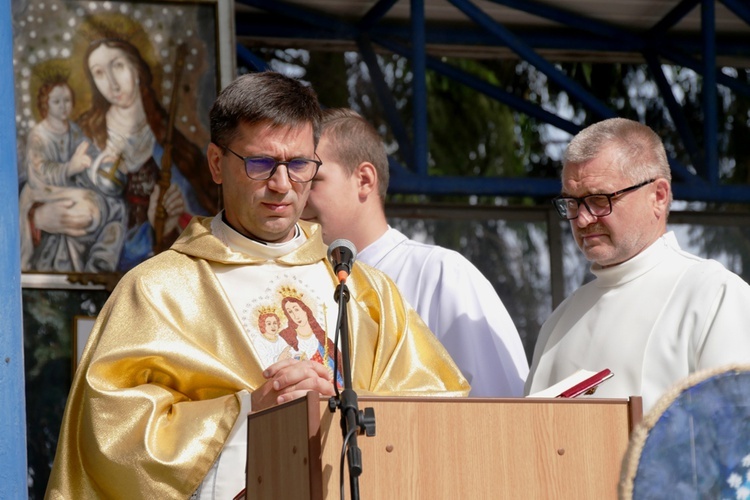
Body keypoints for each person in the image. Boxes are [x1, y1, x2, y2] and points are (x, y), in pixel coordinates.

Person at [45, 71, 469, 499]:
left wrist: (344, 404)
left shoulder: (365, 290)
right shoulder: (157, 291)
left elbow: (436, 415)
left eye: (300, 165)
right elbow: (110, 438)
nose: (282, 184)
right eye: (261, 163)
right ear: (216, 163)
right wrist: (253, 413)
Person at [524, 117, 750, 412]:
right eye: (572, 202)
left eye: (599, 199)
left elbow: (735, 439)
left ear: (658, 196)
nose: (582, 219)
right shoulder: (560, 320)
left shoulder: (713, 296)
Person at [301, 107, 529, 397]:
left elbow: (504, 408)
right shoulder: (304, 290)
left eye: (312, 180)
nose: (296, 195)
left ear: (364, 180)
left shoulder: (441, 275)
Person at [19, 70, 126, 272]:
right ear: (45, 104)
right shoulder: (39, 135)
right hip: (43, 191)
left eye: (67, 100)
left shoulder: (74, 129)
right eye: (57, 101)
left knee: (113, 207)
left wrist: (103, 161)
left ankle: (100, 262)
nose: (63, 106)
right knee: (87, 213)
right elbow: (40, 169)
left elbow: (89, 153)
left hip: (70, 189)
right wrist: (70, 168)